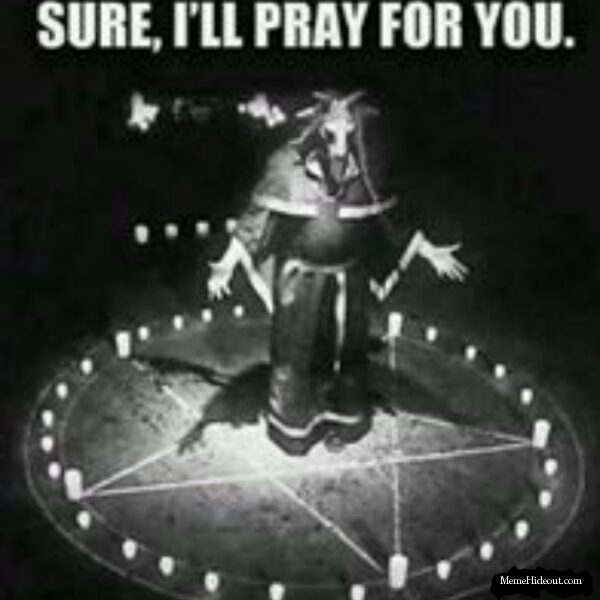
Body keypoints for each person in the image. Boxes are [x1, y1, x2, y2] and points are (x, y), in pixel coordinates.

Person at [208, 91, 467, 454]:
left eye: (349, 118)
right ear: (317, 120)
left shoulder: (366, 171)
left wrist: (426, 250)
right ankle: (294, 429)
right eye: (333, 117)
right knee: (296, 354)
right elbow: (255, 221)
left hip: (349, 278)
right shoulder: (286, 165)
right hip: (300, 281)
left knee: (347, 352)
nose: (342, 124)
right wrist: (226, 263)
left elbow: (390, 222)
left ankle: (343, 422)